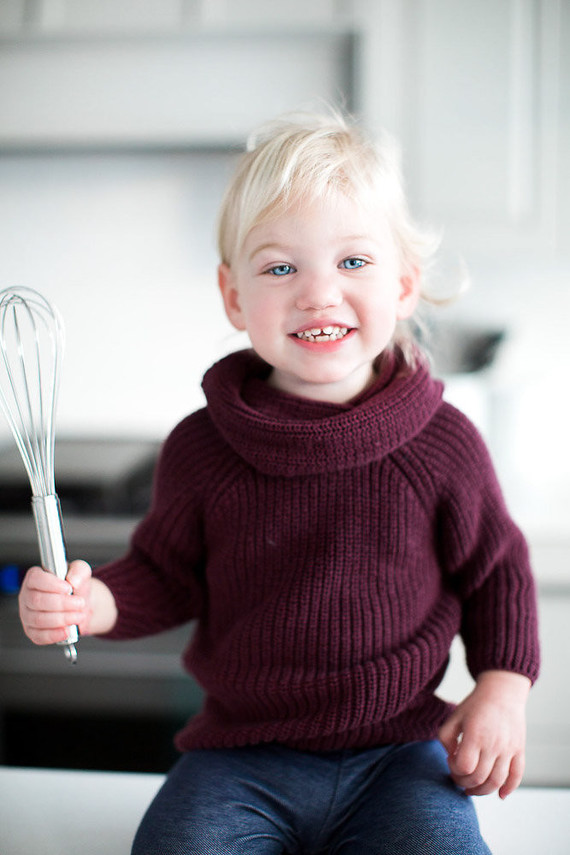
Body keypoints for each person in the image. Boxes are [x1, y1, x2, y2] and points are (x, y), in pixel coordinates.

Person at [19, 110, 540, 854]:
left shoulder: (442, 444)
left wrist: (502, 687)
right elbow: (167, 575)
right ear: (234, 296)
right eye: (280, 267)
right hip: (241, 758)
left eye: (353, 262)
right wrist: (92, 599)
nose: (318, 294)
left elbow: (499, 574)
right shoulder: (203, 448)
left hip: (397, 754)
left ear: (404, 284)